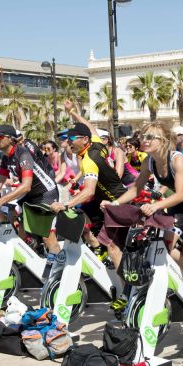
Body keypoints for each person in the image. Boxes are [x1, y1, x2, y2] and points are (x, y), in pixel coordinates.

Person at [103, 121, 183, 320]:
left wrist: (155, 206)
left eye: (148, 137)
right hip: (179, 204)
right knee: (169, 246)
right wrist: (115, 203)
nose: (143, 141)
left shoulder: (177, 159)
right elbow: (136, 189)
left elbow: (180, 194)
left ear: (162, 141)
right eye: (142, 137)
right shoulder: (149, 162)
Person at [52, 100, 128, 310]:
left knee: (114, 248)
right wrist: (73, 112)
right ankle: (98, 247)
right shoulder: (95, 142)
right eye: (67, 139)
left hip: (115, 201)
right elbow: (89, 125)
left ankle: (127, 293)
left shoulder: (89, 159)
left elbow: (89, 191)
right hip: (102, 202)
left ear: (83, 140)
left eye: (71, 139)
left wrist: (65, 204)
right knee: (82, 212)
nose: (68, 143)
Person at [0, 124, 61, 259]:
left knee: (47, 235)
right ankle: (32, 247)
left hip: (46, 193)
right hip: (31, 195)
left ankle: (58, 266)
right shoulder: (6, 157)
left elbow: (26, 186)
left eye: (0, 136)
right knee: (14, 219)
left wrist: (0, 200)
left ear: (10, 139)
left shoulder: (23, 154)